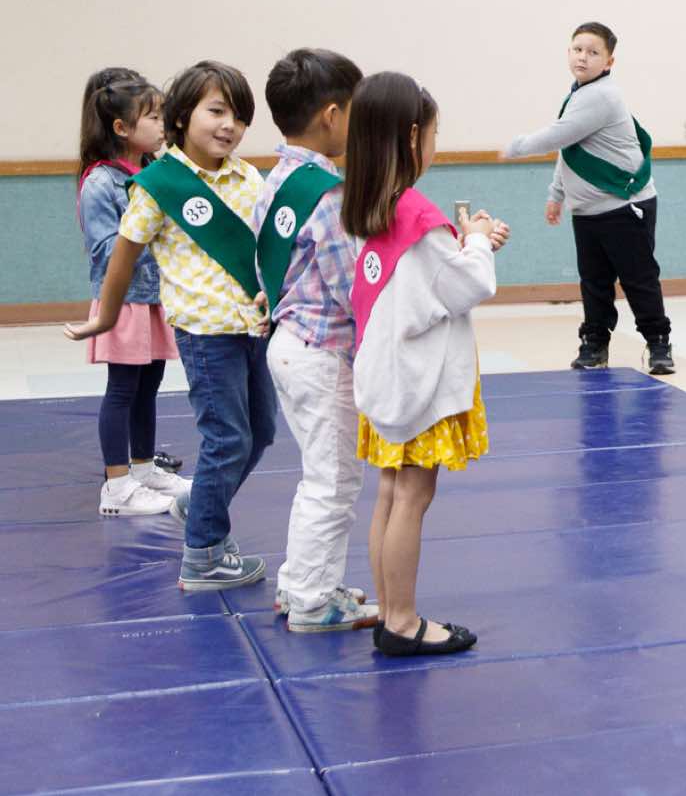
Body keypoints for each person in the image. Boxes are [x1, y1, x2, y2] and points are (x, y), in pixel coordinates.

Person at [67, 61, 273, 591]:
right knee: (226, 438)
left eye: (240, 117)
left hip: (251, 329)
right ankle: (202, 553)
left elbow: (264, 248)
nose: (230, 125)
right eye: (217, 111)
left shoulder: (249, 177)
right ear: (181, 116)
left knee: (263, 430)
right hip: (205, 336)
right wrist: (105, 318)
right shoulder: (158, 185)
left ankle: (196, 502)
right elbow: (119, 258)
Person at [347, 73, 508, 657]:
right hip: (418, 383)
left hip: (384, 376)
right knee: (412, 498)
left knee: (390, 494)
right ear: (413, 136)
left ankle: (389, 609)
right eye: (435, 132)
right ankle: (403, 621)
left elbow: (419, 287)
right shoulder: (417, 215)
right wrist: (478, 240)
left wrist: (464, 243)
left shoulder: (369, 207)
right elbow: (466, 286)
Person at [255, 48, 380, 633]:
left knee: (321, 475)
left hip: (291, 341)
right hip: (322, 352)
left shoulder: (279, 179)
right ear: (333, 115)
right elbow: (351, 287)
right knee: (333, 482)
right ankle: (311, 600)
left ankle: (304, 582)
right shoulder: (326, 195)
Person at [502, 22, 669, 375]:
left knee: (638, 278)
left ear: (609, 62)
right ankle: (594, 345)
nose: (583, 57)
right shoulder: (578, 95)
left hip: (624, 205)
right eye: (577, 49)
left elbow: (557, 136)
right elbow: (571, 149)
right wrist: (556, 194)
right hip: (588, 212)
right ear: (568, 52)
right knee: (593, 282)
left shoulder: (601, 96)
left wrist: (515, 147)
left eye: (593, 52)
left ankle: (658, 343)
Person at [73, 73, 189, 515]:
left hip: (154, 299)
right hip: (123, 302)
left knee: (149, 386)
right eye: (153, 117)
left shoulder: (152, 172)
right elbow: (105, 252)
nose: (163, 125)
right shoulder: (101, 183)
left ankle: (143, 468)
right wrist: (151, 234)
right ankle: (117, 486)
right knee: (122, 389)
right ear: (121, 128)